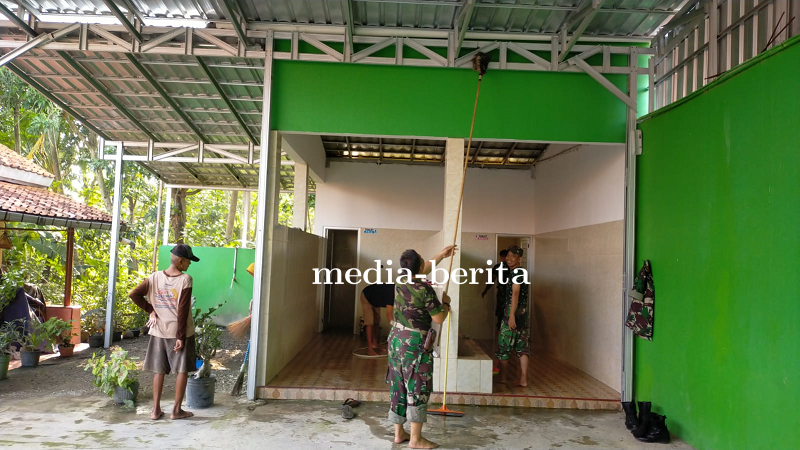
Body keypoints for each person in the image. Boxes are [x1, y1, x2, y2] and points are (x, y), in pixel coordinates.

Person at [388, 245, 456, 449]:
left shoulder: (400, 280)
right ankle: (416, 439)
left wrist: (442, 256)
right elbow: (438, 318)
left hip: (396, 339)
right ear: (417, 265)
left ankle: (399, 434)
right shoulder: (424, 289)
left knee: (398, 385)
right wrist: (445, 304)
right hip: (415, 344)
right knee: (417, 387)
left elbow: (422, 269)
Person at [129, 244, 199, 420]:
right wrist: (181, 337)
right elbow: (182, 311)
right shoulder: (185, 279)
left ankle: (155, 411)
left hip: (159, 331)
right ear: (181, 261)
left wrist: (151, 309)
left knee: (159, 371)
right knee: (182, 370)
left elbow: (134, 294)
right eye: (189, 261)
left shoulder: (153, 278)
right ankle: (176, 411)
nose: (189, 265)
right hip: (179, 332)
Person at [496, 245, 531, 387]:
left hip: (514, 311)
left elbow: (515, 293)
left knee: (504, 345)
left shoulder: (517, 272)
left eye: (513, 256)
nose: (509, 258)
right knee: (522, 347)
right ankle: (523, 380)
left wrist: (511, 315)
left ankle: (503, 378)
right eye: (508, 255)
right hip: (523, 312)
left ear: (520, 259)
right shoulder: (521, 272)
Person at [482, 249, 508, 374]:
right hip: (505, 296)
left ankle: (501, 334)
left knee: (501, 316)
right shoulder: (511, 268)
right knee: (502, 316)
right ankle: (504, 334)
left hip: (503, 296)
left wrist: (485, 290)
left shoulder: (498, 267)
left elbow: (492, 280)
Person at [360, 273, 395, 356]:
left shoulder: (397, 291)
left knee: (376, 321)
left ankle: (375, 344)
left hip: (376, 299)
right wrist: (395, 328)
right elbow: (389, 315)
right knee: (370, 323)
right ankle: (370, 349)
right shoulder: (391, 294)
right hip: (367, 296)